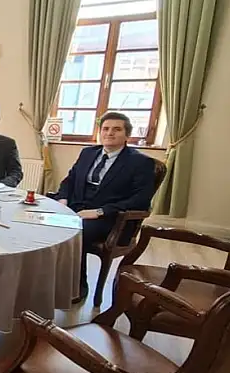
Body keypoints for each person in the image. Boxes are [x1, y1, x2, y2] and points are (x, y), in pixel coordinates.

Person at [54, 111, 157, 303]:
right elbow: (69, 180)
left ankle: (77, 286)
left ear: (127, 135)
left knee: (75, 232)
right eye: (106, 129)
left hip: (111, 218)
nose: (109, 133)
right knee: (39, 222)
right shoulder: (88, 153)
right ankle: (48, 279)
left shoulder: (140, 162)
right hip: (76, 208)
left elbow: (141, 200)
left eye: (116, 129)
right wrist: (63, 199)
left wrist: (99, 212)